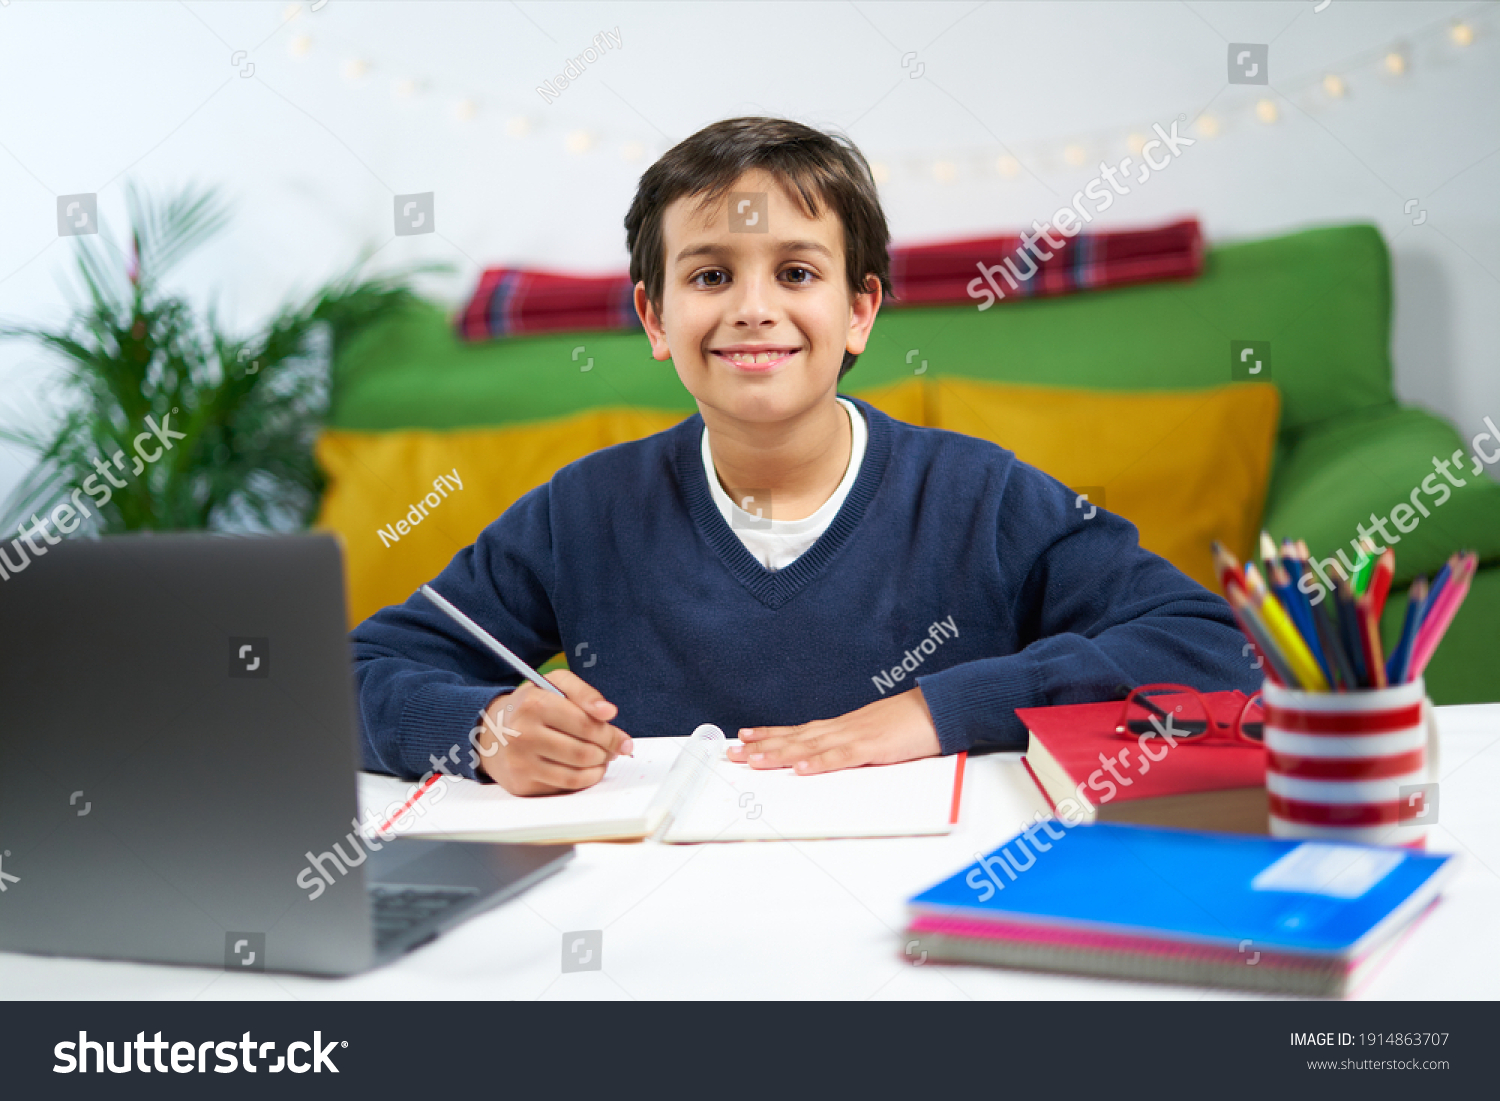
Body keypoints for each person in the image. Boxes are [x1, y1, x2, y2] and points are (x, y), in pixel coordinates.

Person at [351, 116, 1259, 796]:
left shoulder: (980, 497)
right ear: (656, 318)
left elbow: (1210, 644)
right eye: (711, 275)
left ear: (860, 310)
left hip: (923, 910)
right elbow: (351, 674)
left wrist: (937, 710)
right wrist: (480, 727)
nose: (753, 307)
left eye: (796, 272)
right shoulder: (583, 513)